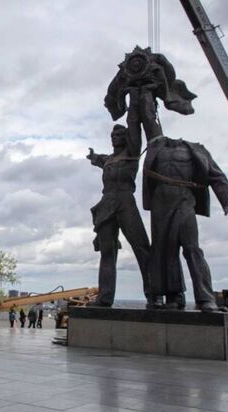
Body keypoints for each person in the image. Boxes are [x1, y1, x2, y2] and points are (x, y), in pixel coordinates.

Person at [140, 90, 228, 311]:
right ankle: (174, 298)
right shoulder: (157, 146)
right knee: (164, 251)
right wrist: (147, 92)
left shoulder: (197, 150)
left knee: (192, 248)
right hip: (160, 205)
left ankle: (206, 298)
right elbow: (148, 117)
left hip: (185, 202)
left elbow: (218, 177)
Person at [87, 89, 156, 309]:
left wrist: (135, 99)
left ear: (126, 138)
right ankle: (104, 298)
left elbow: (134, 125)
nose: (115, 139)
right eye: (112, 137)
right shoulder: (108, 160)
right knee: (107, 252)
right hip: (107, 204)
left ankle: (154, 296)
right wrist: (93, 156)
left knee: (142, 248)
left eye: (119, 136)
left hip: (126, 202)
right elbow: (99, 159)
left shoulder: (132, 153)